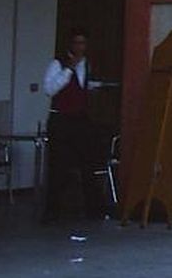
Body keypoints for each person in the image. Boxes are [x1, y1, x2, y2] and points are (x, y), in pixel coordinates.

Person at [41, 28, 102, 221]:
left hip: (80, 119)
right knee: (58, 166)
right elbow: (49, 89)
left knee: (88, 163)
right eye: (76, 43)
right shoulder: (57, 64)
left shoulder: (87, 65)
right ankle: (53, 211)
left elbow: (82, 87)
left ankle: (93, 209)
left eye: (83, 43)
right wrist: (68, 69)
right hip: (61, 119)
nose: (80, 47)